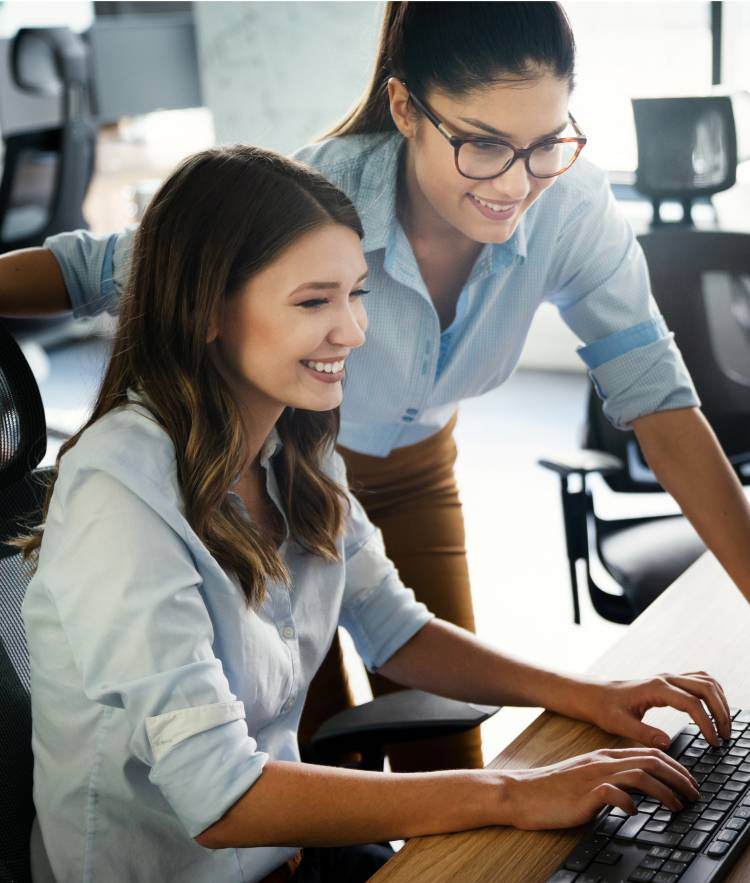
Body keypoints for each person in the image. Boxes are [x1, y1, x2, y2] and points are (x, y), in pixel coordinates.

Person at [4, 3, 750, 777]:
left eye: (543, 144)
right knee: (307, 752)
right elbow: (104, 267)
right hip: (273, 474)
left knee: (449, 741)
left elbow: (658, 398)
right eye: (484, 144)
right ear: (405, 109)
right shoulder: (318, 202)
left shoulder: (569, 204)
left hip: (393, 467)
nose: (518, 181)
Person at [11, 143, 732, 883]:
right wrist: (510, 792)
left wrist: (591, 695)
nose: (355, 330)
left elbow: (395, 630)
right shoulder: (119, 494)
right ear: (208, 312)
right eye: (314, 301)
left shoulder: (295, 442)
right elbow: (220, 795)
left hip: (289, 859)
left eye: (357, 292)